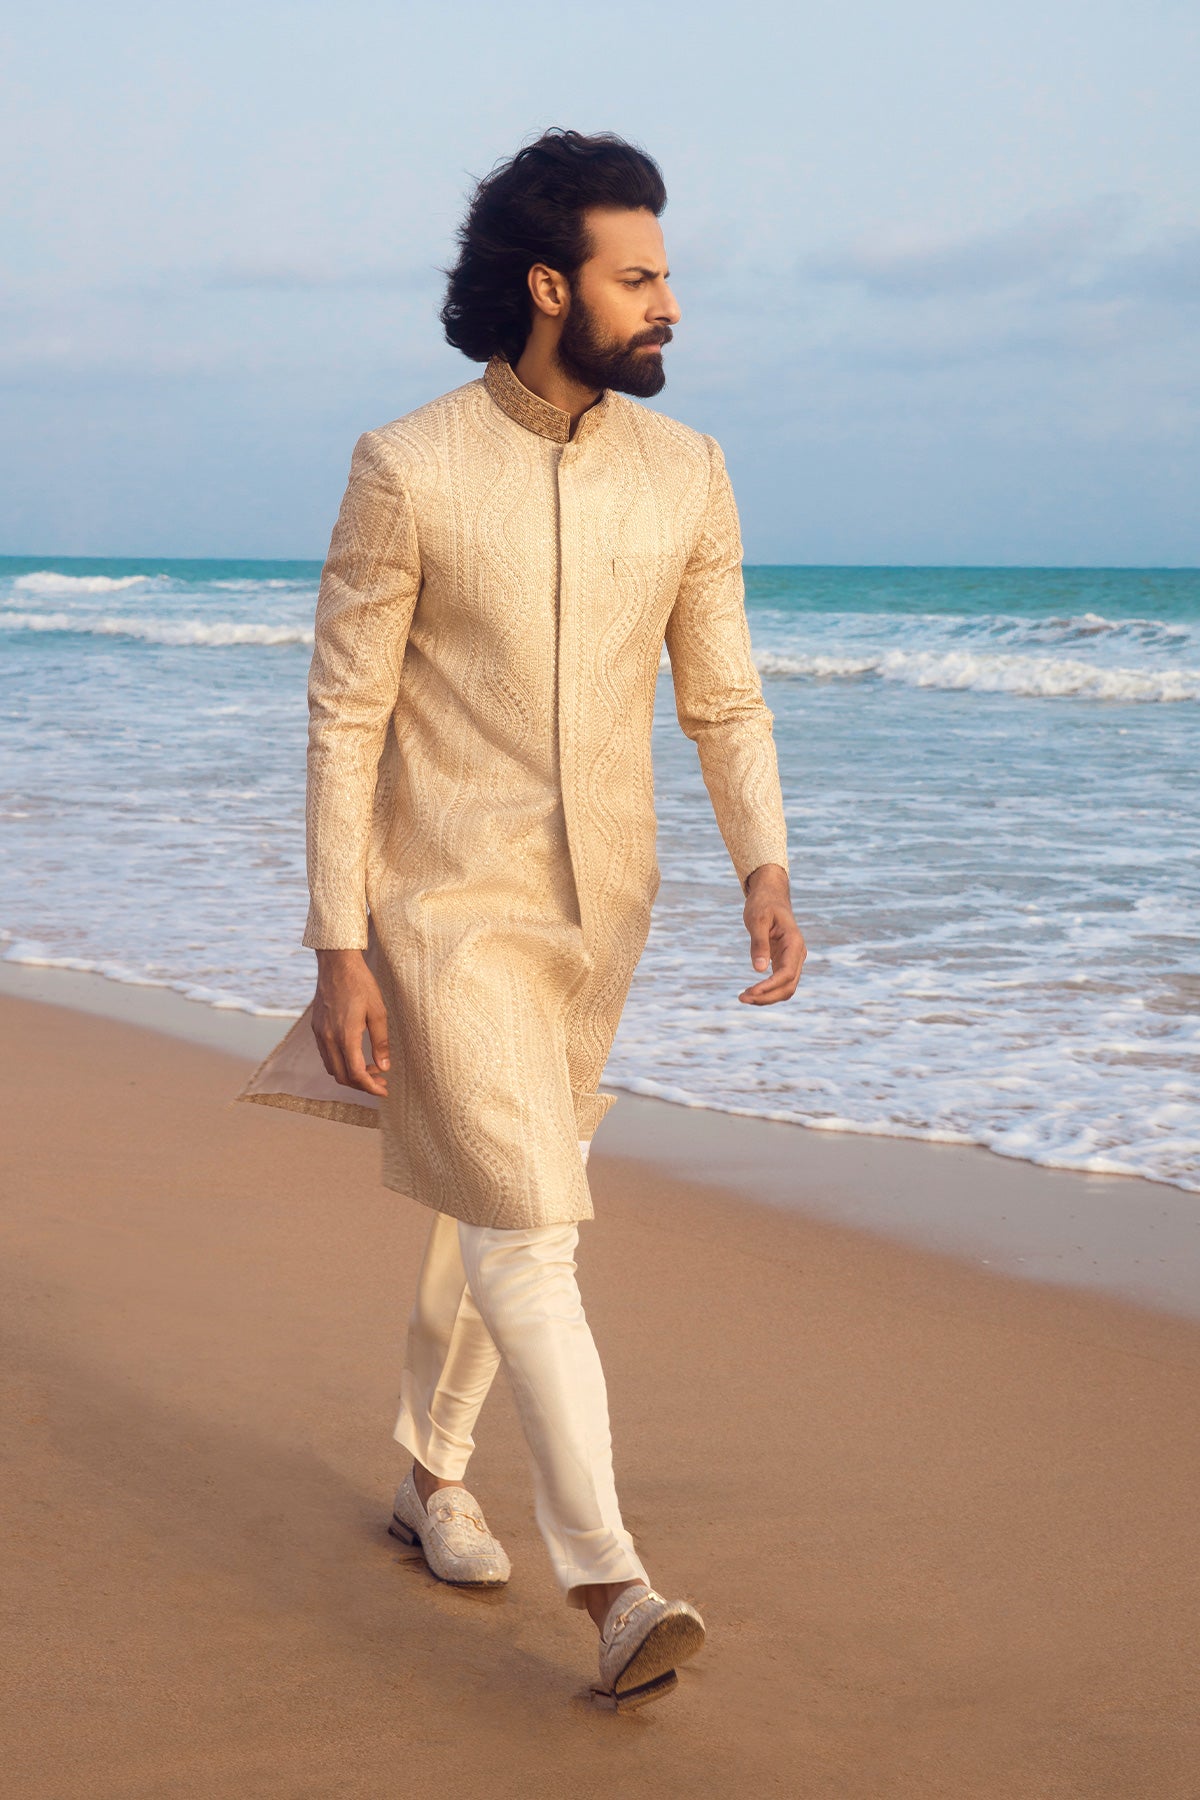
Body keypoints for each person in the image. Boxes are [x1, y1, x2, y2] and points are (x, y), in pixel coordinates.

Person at [239, 127, 805, 1710]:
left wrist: (763, 864)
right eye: (640, 276)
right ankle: (612, 1583)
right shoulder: (408, 465)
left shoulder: (686, 471)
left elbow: (724, 694)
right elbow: (346, 718)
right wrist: (339, 943)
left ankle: (431, 1474)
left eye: (667, 274)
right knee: (534, 1228)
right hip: (441, 906)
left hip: (601, 911)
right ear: (552, 286)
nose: (669, 302)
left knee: (501, 1203)